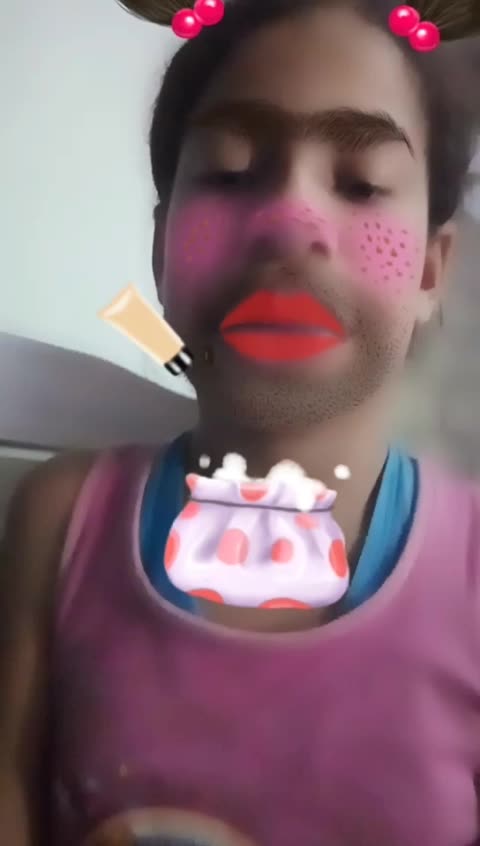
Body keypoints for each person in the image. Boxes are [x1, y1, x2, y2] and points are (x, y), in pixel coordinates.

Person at [1, 0, 480, 843]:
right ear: (162, 250)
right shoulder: (61, 522)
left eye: (360, 183)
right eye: (228, 172)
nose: (288, 224)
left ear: (432, 273)